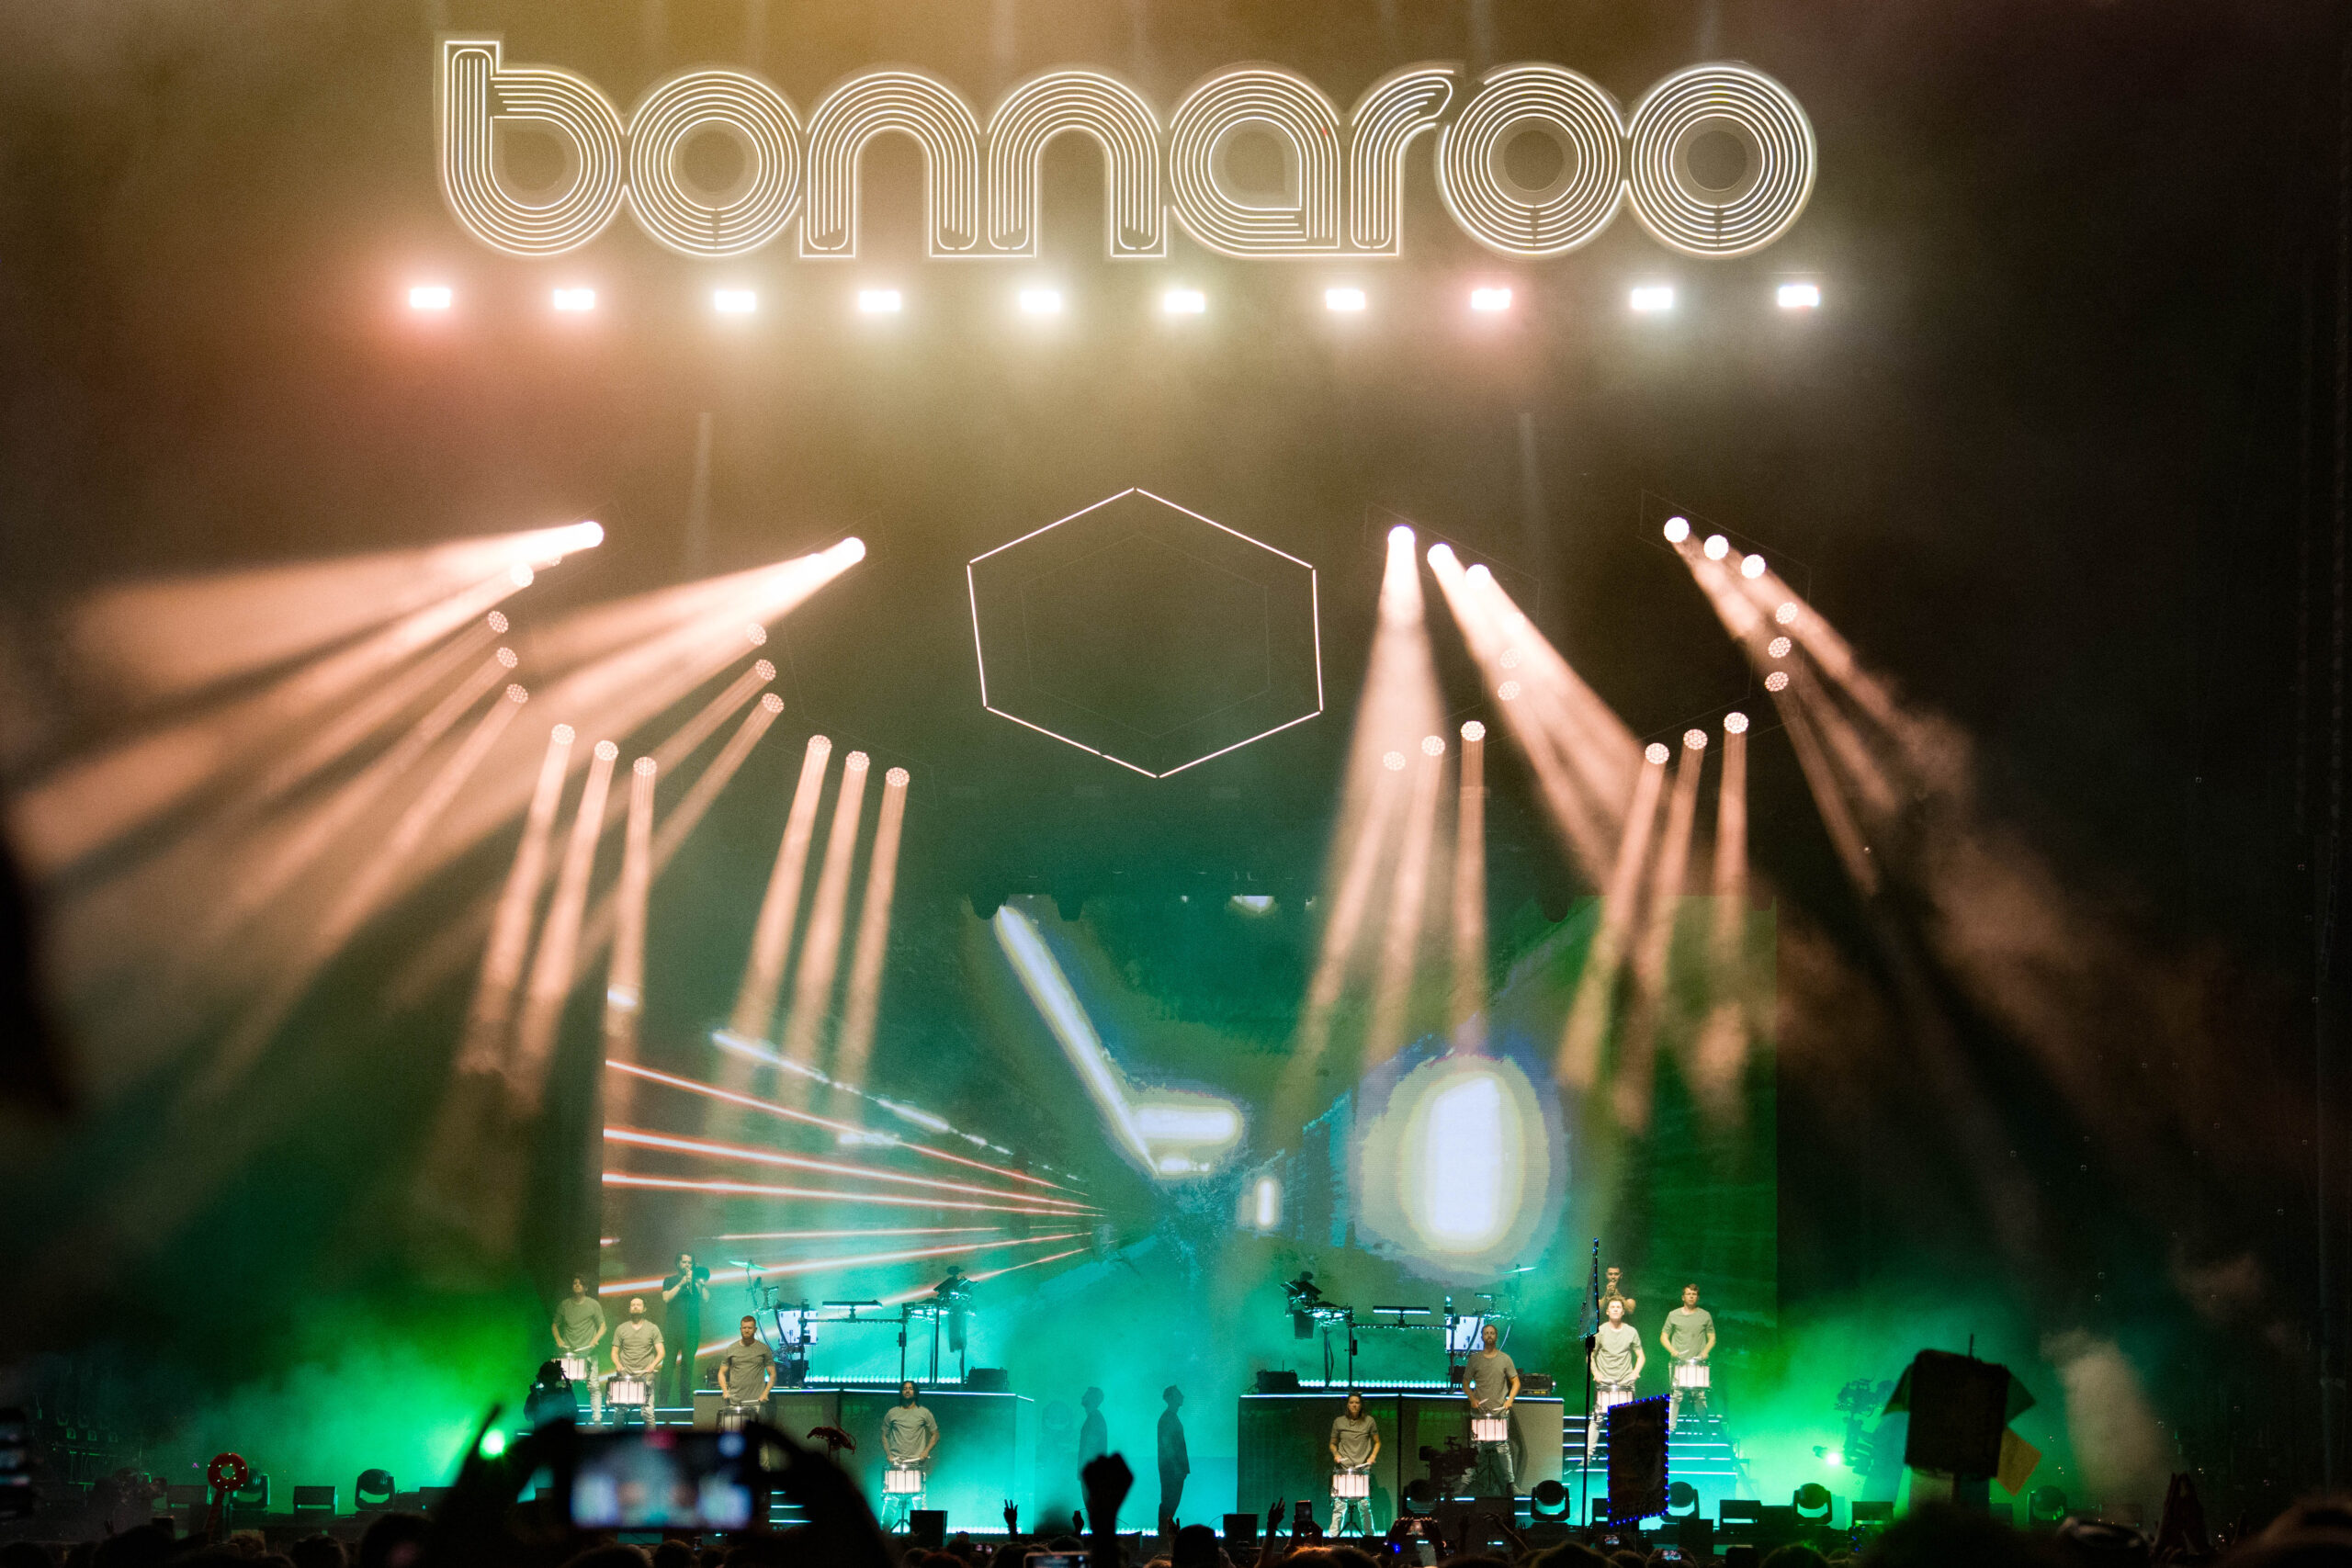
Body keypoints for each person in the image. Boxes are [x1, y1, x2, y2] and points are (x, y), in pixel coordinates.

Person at [1462, 1323, 1518, 1497]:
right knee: (1475, 1448)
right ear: (1482, 1336)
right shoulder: (1475, 1359)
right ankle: (1466, 1483)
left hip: (1499, 1412)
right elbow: (1465, 1383)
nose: (1489, 1335)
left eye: (1492, 1333)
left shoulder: (1505, 1359)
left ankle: (1510, 1484)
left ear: (1496, 1336)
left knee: (1503, 1449)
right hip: (1480, 1413)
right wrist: (1472, 1399)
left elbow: (1516, 1382)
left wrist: (1509, 1400)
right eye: (1486, 1333)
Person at [879, 1382, 939, 1532]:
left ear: (915, 1392)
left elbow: (935, 1434)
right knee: (890, 1500)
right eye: (905, 1389)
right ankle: (884, 1535)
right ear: (901, 1392)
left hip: (916, 1464)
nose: (907, 1391)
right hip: (896, 1464)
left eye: (911, 1388)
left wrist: (926, 1451)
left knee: (919, 1500)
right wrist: (889, 1454)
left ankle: (924, 1535)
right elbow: (884, 1435)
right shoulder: (892, 1413)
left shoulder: (924, 1412)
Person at [1587, 1299, 1644, 1450]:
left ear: (1623, 1312)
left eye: (1619, 1307)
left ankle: (1626, 1456)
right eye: (1613, 1307)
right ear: (1607, 1311)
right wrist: (1596, 1373)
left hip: (1625, 1383)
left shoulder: (1631, 1331)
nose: (1616, 1309)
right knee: (1597, 1420)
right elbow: (1590, 1355)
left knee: (1627, 1421)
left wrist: (1635, 1372)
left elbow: (1641, 1356)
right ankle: (1587, 1457)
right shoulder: (1599, 1331)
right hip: (1605, 1383)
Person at [1659, 1283, 1716, 1427]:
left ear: (1698, 1297)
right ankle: (1670, 1430)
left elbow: (1712, 1338)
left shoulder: (1705, 1315)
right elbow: (1663, 1336)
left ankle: (1706, 1429)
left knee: (1699, 1397)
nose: (1691, 1297)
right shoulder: (1673, 1314)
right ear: (1683, 1297)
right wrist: (1672, 1351)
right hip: (1679, 1363)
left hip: (1698, 1363)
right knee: (1676, 1396)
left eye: (1694, 1294)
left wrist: (1705, 1352)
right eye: (1689, 1294)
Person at [661, 1253, 712, 1408]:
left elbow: (706, 1298)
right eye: (684, 1262)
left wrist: (699, 1283)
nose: (687, 1265)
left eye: (690, 1262)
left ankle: (685, 1399)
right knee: (668, 1364)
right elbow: (666, 1298)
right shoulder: (670, 1280)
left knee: (688, 1366)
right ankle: (663, 1399)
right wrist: (681, 1283)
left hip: (691, 1330)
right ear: (678, 1264)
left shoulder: (697, 1282)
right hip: (673, 1330)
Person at [553, 1276, 608, 1420]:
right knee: (564, 1386)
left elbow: (603, 1326)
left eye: (580, 1283)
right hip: (569, 1353)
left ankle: (597, 1418)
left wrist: (595, 1339)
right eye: (574, 1283)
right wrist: (558, 1339)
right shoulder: (564, 1304)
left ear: (586, 1287)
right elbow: (554, 1324)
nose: (577, 1285)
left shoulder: (593, 1304)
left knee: (594, 1386)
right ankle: (563, 1417)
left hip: (589, 1352)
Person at [1328, 1391, 1380, 1537]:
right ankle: (1333, 1538)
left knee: (1364, 1506)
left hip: (1362, 1469)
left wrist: (1372, 1457)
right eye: (1351, 1402)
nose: (1354, 1405)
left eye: (1357, 1402)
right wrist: (1336, 1454)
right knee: (1339, 1505)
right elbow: (1332, 1444)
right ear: (1347, 1405)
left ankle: (1369, 1538)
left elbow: (1377, 1442)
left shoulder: (1369, 1421)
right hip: (1343, 1469)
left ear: (1361, 1405)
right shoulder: (1339, 1422)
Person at [609, 1297, 664, 1426]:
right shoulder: (621, 1328)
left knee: (648, 1413)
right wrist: (618, 1364)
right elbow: (614, 1352)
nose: (635, 1306)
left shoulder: (653, 1328)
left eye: (638, 1305)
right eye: (633, 1305)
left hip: (645, 1377)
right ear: (629, 1309)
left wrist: (652, 1365)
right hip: (625, 1377)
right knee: (619, 1412)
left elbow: (661, 1352)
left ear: (644, 1309)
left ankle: (652, 1439)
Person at [718, 1316, 775, 1418]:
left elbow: (773, 1374)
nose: (747, 1330)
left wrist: (766, 1393)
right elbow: (721, 1373)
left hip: (756, 1402)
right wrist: (725, 1391)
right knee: (733, 1428)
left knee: (754, 1429)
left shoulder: (763, 1349)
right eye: (744, 1328)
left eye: (750, 1328)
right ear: (740, 1329)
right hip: (735, 1402)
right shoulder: (731, 1348)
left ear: (755, 1329)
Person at [1157, 1385, 1190, 1538]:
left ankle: (1164, 1537)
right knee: (1169, 1503)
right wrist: (1176, 1466)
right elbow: (1167, 1444)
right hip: (1172, 1470)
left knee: (1170, 1503)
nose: (1182, 1396)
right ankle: (1164, 1537)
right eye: (1178, 1394)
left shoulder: (1170, 1417)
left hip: (1173, 1469)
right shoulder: (1168, 1418)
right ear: (1170, 1398)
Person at [1079, 1388, 1108, 1466]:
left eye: (1086, 1395)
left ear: (1093, 1399)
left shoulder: (1095, 1418)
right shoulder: (1094, 1417)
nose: (1082, 1397)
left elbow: (1091, 1445)